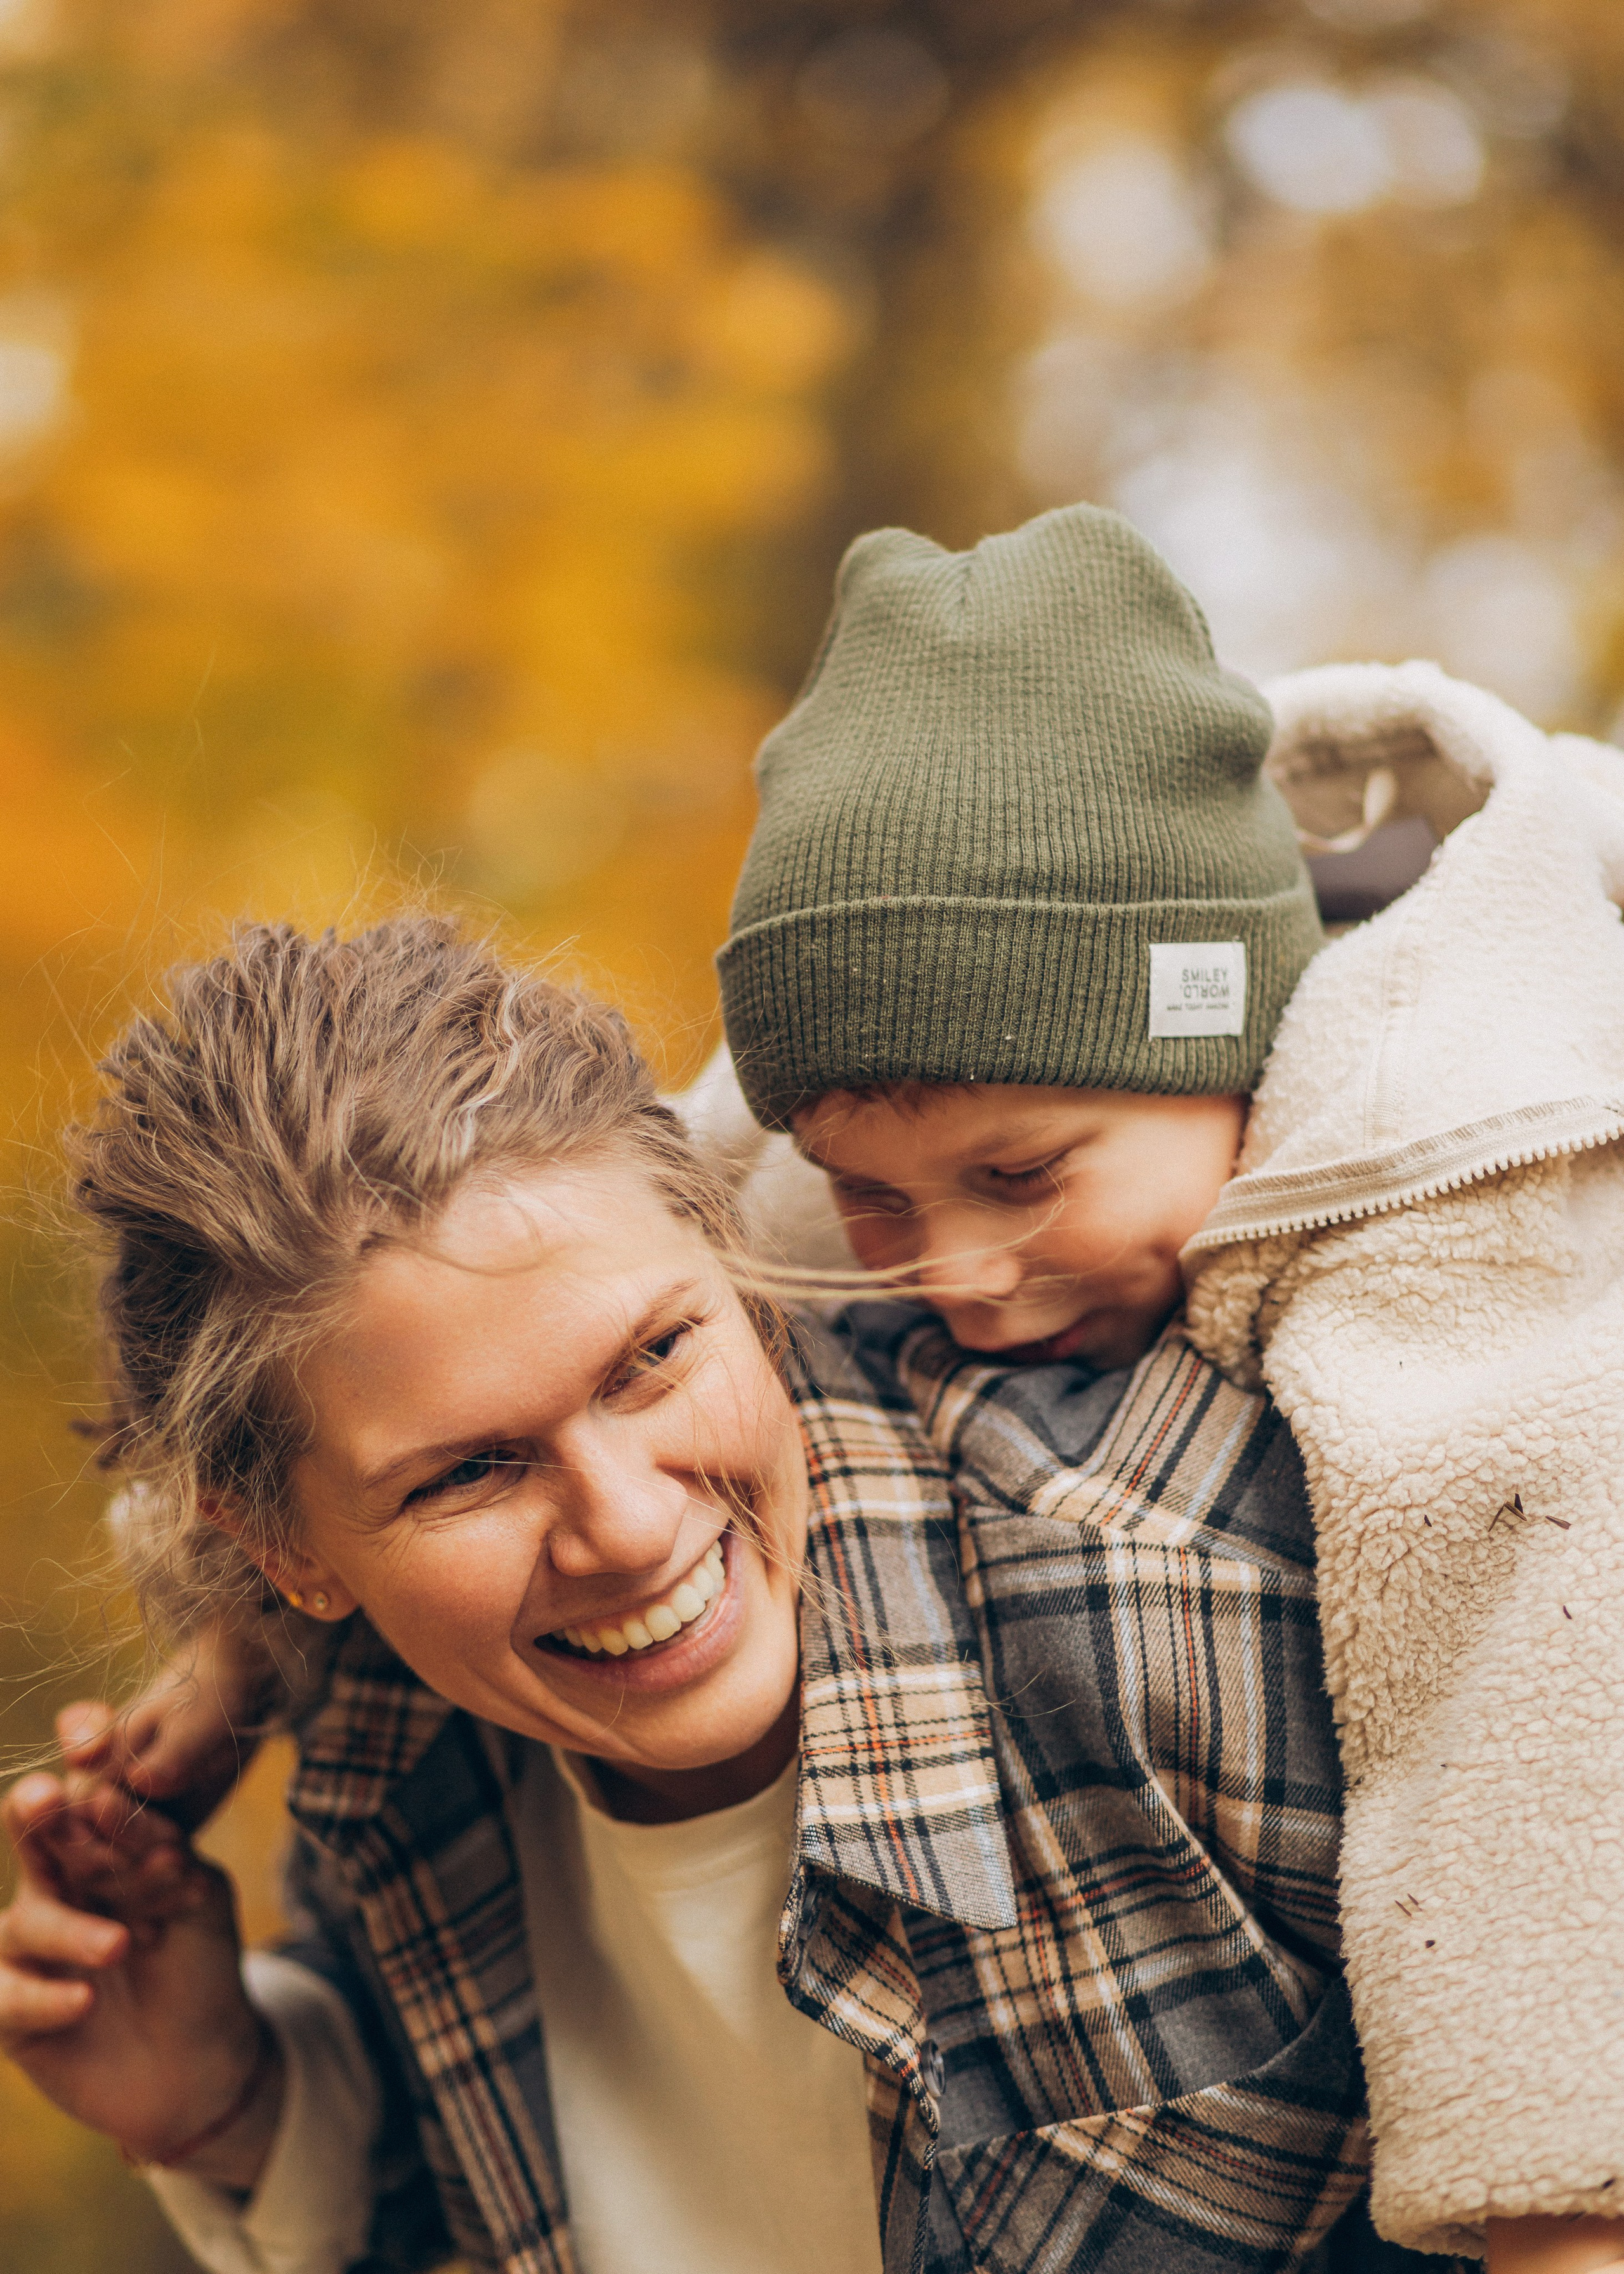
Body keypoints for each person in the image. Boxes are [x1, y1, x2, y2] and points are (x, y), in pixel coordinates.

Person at [2, 914, 1370, 2274]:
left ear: (736, 1266)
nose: (631, 1526)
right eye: (467, 1473)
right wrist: (239, 2110)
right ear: (285, 1552)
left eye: (652, 1357)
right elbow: (461, 2184)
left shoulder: (1191, 1599)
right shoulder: (390, 1754)